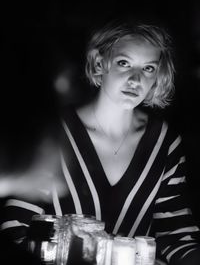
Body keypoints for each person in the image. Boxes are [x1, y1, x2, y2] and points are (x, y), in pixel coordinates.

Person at [1, 19, 200, 264]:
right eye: (124, 63)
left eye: (148, 68)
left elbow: (177, 234)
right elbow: (15, 228)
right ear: (99, 63)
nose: (135, 80)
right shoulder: (55, 134)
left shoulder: (164, 142)